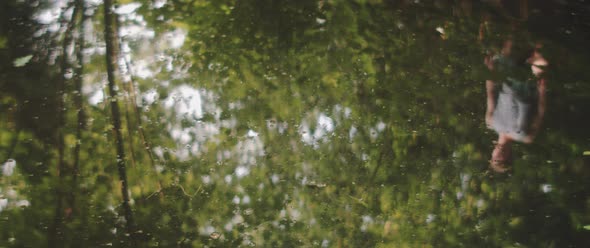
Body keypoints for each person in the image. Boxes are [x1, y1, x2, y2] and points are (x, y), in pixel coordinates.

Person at [484, 39, 547, 173]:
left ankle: (517, 24)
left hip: (508, 81)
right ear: (509, 157)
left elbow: (490, 94)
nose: (498, 156)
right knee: (541, 60)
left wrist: (490, 73)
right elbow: (540, 115)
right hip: (529, 88)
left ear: (492, 153)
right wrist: (542, 93)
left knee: (507, 47)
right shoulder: (526, 137)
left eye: (495, 159)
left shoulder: (491, 123)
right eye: (501, 160)